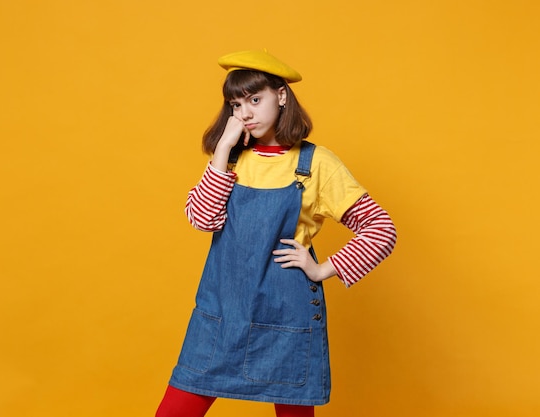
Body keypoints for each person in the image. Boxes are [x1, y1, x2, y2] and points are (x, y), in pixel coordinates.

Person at [156, 50, 397, 417]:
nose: (245, 113)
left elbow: (380, 228)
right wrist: (222, 148)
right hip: (222, 312)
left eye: (255, 100)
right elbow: (202, 219)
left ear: (281, 95)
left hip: (287, 313)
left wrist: (323, 269)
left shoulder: (316, 163)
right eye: (236, 104)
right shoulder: (232, 161)